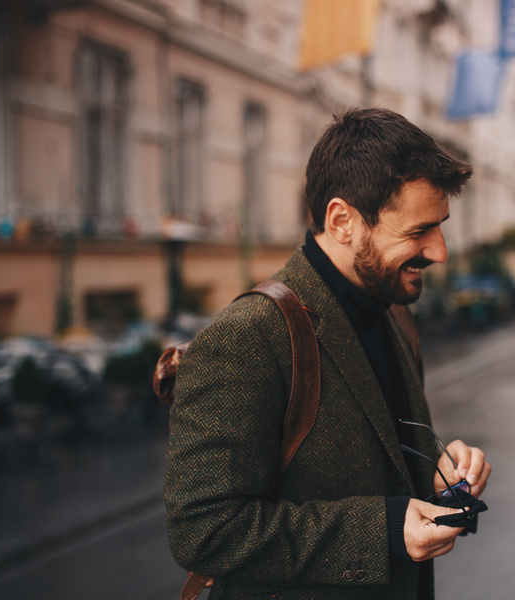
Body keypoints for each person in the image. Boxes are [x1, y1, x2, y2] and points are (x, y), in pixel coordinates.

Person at [164, 107, 491, 600]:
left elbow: (380, 463)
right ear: (342, 221)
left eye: (440, 226)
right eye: (417, 231)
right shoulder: (248, 336)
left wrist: (439, 474)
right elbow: (203, 530)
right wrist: (381, 532)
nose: (440, 251)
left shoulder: (394, 314)